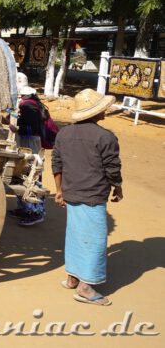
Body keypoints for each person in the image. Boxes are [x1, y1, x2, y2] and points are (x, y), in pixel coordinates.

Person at [53, 88, 123, 306]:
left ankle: (72, 277)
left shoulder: (63, 134)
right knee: (95, 240)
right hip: (93, 195)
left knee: (74, 234)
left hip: (71, 191)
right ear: (96, 113)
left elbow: (57, 163)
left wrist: (59, 190)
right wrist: (118, 187)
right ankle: (85, 287)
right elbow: (113, 168)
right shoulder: (106, 137)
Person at [8, 73, 46, 226]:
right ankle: (24, 208)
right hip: (29, 141)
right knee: (22, 172)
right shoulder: (31, 103)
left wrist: (16, 128)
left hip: (29, 142)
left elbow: (30, 127)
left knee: (31, 173)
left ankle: (35, 212)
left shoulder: (28, 105)